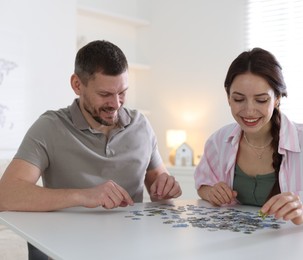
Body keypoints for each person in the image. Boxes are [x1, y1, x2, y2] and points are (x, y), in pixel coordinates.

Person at [0, 40, 182, 212]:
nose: (116, 104)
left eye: (122, 93)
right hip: (65, 241)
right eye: (104, 94)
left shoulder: (140, 125)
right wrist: (83, 196)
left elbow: (160, 189)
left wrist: (165, 188)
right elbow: (6, 195)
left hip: (129, 240)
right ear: (77, 85)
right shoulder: (50, 127)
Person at [194, 47, 303, 226]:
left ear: (277, 98)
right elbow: (203, 184)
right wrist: (211, 192)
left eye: (261, 100)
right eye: (239, 99)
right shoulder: (218, 142)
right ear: (228, 98)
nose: (249, 110)